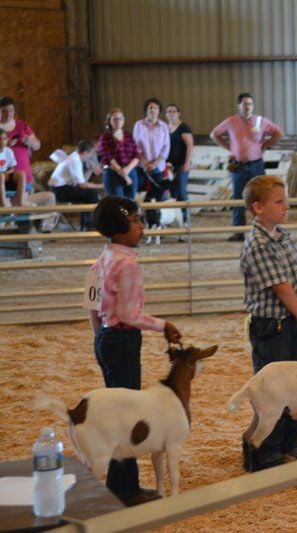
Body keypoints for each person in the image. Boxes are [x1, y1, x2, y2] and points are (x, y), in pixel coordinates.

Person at [86, 195, 182, 506]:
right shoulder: (127, 264)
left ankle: (121, 485)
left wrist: (99, 336)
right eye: (136, 220)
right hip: (123, 340)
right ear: (120, 226)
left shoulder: (101, 260)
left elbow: (91, 303)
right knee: (126, 414)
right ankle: (124, 489)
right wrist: (163, 324)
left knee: (117, 409)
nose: (142, 226)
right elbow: (129, 315)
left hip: (106, 338)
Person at [239, 175, 297, 470]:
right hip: (271, 326)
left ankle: (291, 443)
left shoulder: (283, 236)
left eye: (286, 200)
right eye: (279, 201)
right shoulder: (257, 243)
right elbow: (282, 288)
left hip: (294, 322)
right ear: (258, 207)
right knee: (274, 388)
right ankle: (265, 451)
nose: (286, 206)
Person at [211, 92, 284, 241]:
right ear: (239, 106)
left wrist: (266, 145)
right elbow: (215, 134)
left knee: (262, 198)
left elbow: (279, 133)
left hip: (256, 163)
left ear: (253, 106)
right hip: (238, 165)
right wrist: (229, 147)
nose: (247, 107)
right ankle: (239, 231)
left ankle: (264, 228)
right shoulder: (231, 121)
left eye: (250, 104)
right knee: (238, 199)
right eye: (244, 104)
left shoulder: (260, 121)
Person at [48, 140, 104, 231]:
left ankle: (86, 224)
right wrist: (101, 186)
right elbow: (82, 185)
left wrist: (90, 170)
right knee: (91, 194)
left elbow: (82, 182)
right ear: (85, 152)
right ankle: (89, 225)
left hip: (63, 188)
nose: (91, 156)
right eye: (91, 154)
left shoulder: (75, 157)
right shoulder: (75, 161)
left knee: (88, 194)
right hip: (58, 190)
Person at [0, 96, 41, 207]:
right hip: (5, 177)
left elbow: (37, 146)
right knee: (8, 208)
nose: (8, 114)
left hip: (23, 174)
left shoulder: (22, 125)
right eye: (4, 111)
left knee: (21, 208)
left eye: (11, 111)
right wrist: (4, 145)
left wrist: (30, 142)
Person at [97, 108, 140, 199]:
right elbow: (108, 158)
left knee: (131, 204)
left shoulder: (128, 136)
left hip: (130, 171)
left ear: (123, 120)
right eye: (115, 119)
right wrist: (123, 174)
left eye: (120, 118)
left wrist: (127, 170)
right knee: (118, 204)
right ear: (109, 121)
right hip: (113, 173)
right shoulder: (105, 137)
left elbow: (136, 154)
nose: (118, 121)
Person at [133, 97, 170, 199]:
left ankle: (155, 214)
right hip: (141, 166)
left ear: (159, 111)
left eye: (155, 108)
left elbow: (166, 147)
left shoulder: (164, 126)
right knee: (141, 194)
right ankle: (141, 215)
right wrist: (145, 163)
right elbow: (136, 146)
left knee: (157, 194)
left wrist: (154, 164)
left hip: (158, 166)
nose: (152, 110)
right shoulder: (139, 125)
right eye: (150, 108)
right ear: (146, 110)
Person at [165, 103, 194, 223]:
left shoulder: (184, 128)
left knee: (182, 191)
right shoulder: (165, 128)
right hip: (168, 165)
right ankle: (177, 219)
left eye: (173, 111)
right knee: (173, 192)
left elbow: (190, 146)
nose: (171, 114)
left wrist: (187, 163)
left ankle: (186, 219)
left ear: (178, 113)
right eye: (169, 112)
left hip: (182, 164)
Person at [0, 129, 26, 207]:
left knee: (21, 173)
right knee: (1, 176)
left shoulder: (9, 151)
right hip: (1, 176)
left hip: (5, 175)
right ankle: (4, 203)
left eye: (4, 139)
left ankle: (20, 202)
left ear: (7, 140)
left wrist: (6, 173)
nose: (2, 141)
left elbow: (12, 168)